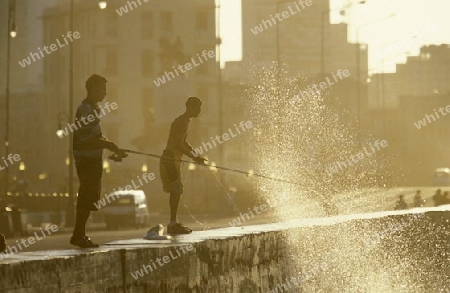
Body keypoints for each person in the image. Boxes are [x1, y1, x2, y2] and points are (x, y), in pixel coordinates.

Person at [70, 74, 126, 248]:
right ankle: (78, 235)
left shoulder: (93, 108)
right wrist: (110, 145)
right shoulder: (86, 109)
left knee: (90, 196)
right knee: (86, 195)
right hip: (86, 159)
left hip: (93, 158)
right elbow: (86, 139)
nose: (105, 93)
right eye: (102, 89)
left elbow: (96, 136)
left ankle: (81, 234)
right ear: (93, 89)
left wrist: (112, 147)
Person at [159, 97, 206, 235]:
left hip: (174, 158)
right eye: (197, 108)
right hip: (170, 158)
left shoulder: (185, 121)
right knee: (176, 189)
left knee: (177, 190)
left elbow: (183, 142)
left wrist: (195, 154)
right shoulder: (181, 121)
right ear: (190, 107)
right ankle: (172, 224)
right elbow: (177, 144)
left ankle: (174, 222)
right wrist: (193, 157)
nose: (199, 111)